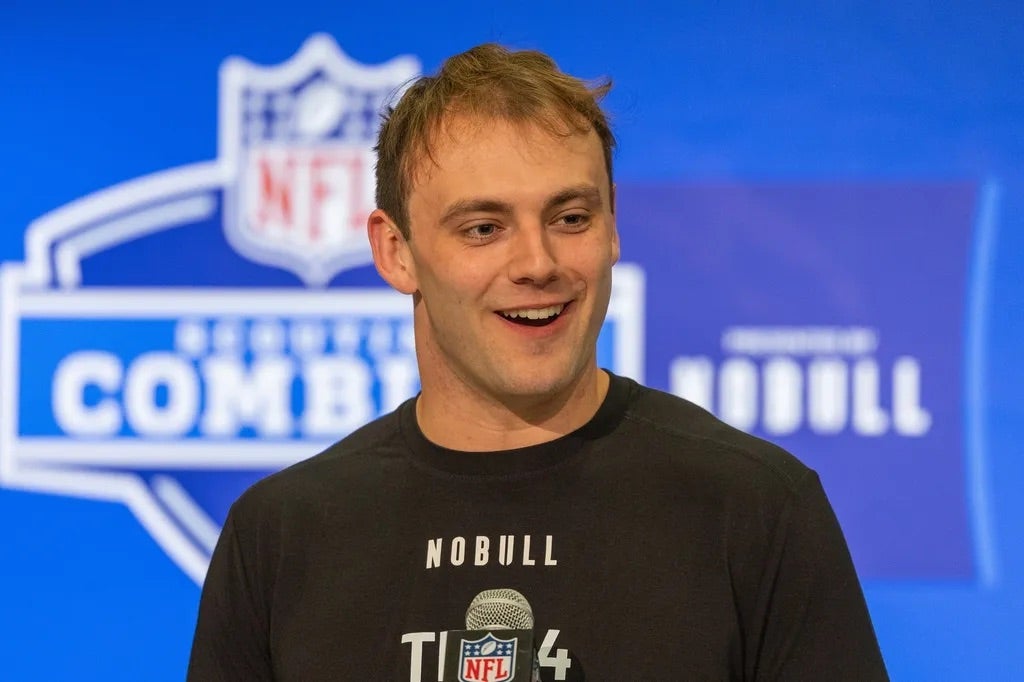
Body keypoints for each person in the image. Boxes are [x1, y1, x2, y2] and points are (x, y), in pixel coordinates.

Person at [188, 43, 889, 681]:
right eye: (483, 228)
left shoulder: (756, 509)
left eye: (570, 217)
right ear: (396, 252)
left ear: (612, 222)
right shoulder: (280, 537)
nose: (537, 264)